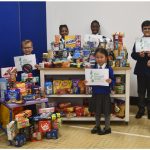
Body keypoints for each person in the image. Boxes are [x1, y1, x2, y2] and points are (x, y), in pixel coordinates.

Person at [86, 48, 115, 135]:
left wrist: (111, 81)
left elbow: (113, 81)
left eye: (101, 57)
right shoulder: (93, 69)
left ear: (106, 58)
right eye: (97, 57)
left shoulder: (109, 69)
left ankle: (107, 128)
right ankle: (97, 126)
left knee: (106, 112)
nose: (99, 59)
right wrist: (87, 82)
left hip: (105, 94)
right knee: (96, 111)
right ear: (95, 58)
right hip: (95, 93)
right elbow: (90, 81)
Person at [131, 20, 150, 119]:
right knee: (141, 91)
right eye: (145, 28)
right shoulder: (139, 41)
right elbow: (133, 55)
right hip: (141, 70)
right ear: (142, 30)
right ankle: (141, 109)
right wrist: (139, 55)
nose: (147, 30)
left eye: (148, 28)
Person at [18, 40, 40, 115]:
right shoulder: (19, 60)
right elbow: (17, 73)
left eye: (29, 47)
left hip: (33, 85)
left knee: (32, 103)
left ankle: (33, 119)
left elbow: (38, 73)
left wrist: (38, 68)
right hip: (22, 85)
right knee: (23, 103)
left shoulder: (35, 59)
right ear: (22, 49)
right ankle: (24, 121)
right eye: (25, 48)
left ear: (32, 48)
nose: (27, 49)